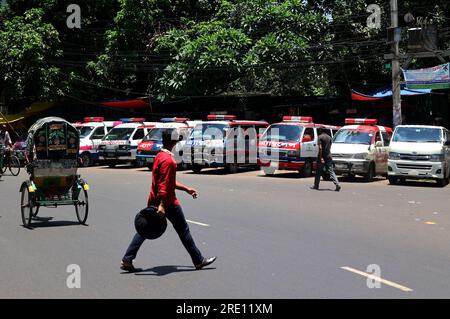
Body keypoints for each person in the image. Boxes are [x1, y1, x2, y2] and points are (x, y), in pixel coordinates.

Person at [121, 129, 216, 272]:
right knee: (183, 230)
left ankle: (127, 259)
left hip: (155, 199)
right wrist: (162, 206)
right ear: (174, 142)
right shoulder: (168, 161)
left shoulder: (160, 155)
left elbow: (168, 181)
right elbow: (164, 186)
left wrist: (186, 189)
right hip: (167, 202)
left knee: (145, 228)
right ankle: (198, 260)